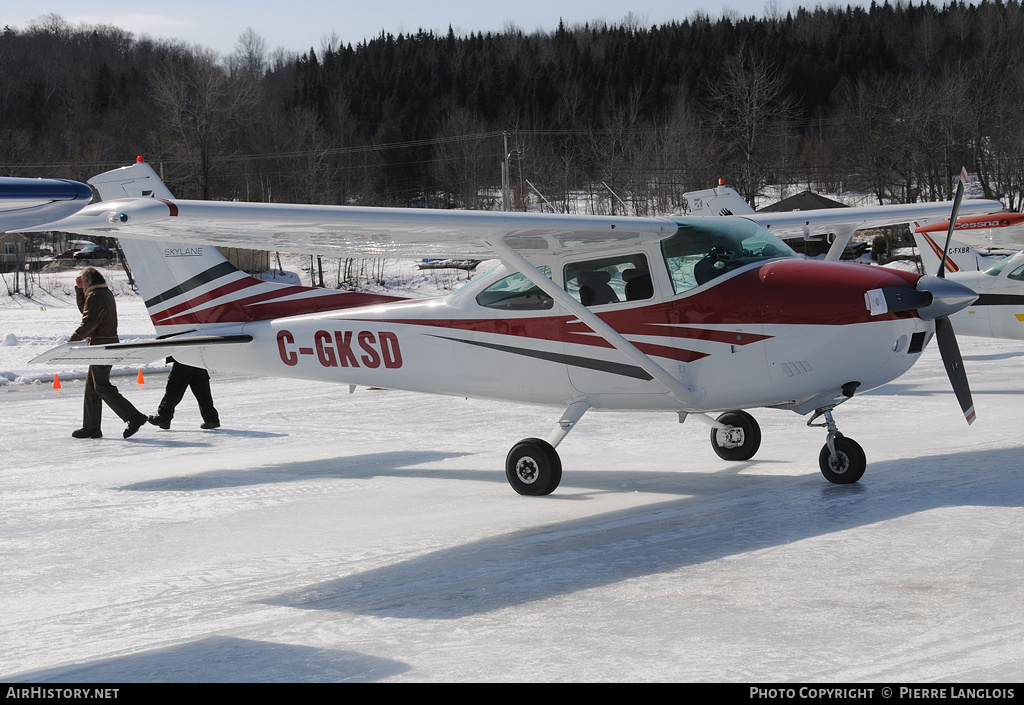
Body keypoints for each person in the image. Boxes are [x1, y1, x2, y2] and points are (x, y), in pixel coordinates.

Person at [69, 267, 148, 439]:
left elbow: (89, 321)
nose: (81, 285)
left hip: (102, 347)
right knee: (92, 388)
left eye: (82, 282)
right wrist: (79, 291)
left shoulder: (96, 296)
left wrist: (72, 341)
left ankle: (133, 416)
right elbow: (87, 312)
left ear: (89, 282)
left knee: (101, 386)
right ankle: (91, 427)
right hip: (103, 345)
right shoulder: (101, 293)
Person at [148, 358, 220, 430]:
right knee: (201, 391)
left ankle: (163, 418)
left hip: (184, 358)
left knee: (174, 389)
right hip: (198, 359)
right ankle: (211, 419)